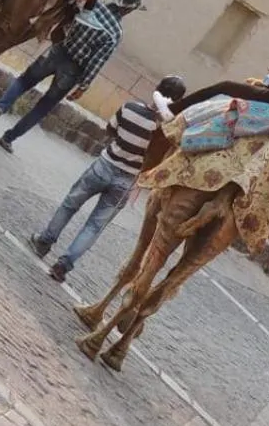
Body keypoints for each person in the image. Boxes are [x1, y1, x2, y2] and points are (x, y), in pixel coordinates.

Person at [32, 74, 188, 282]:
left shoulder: (130, 108)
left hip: (105, 165)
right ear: (178, 101)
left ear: (157, 89)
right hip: (127, 181)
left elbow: (110, 129)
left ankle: (44, 241)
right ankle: (63, 265)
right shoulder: (167, 132)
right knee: (95, 226)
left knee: (70, 204)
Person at [0, 0, 143, 152]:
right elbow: (96, 62)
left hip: (57, 52)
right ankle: (8, 138)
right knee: (43, 107)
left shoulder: (91, 5)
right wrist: (83, 86)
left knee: (24, 81)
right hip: (72, 70)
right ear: (128, 11)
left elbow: (68, 18)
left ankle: (1, 106)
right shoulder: (115, 33)